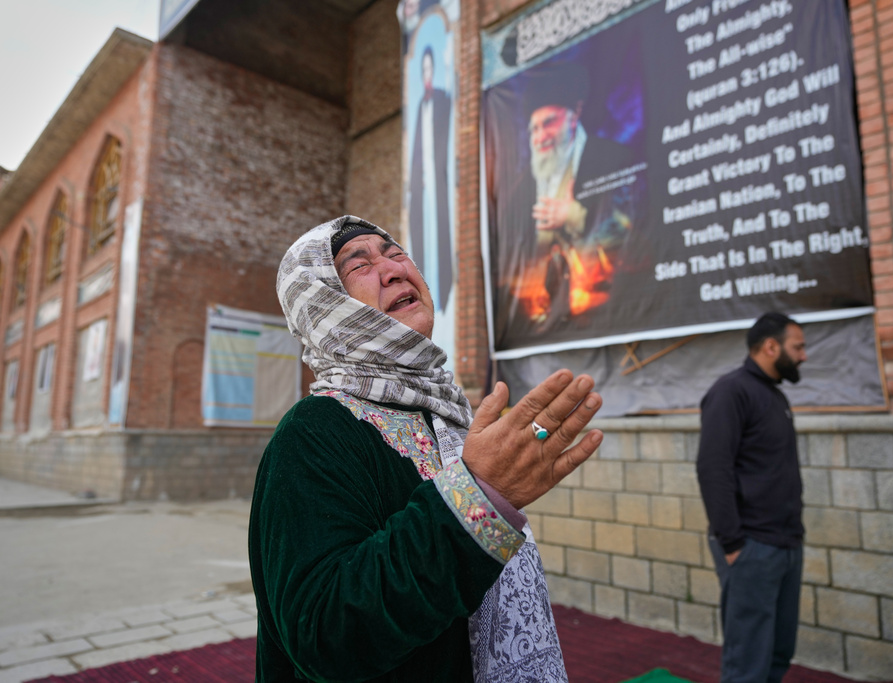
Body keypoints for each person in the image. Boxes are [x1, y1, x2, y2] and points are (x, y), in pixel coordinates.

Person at [250, 215, 603, 682]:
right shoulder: (314, 431)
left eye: (395, 253)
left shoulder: (445, 413)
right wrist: (476, 499)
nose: (394, 269)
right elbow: (324, 634)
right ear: (324, 304)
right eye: (359, 265)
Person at [493, 60, 644, 337]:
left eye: (548, 123)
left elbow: (637, 236)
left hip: (603, 316)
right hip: (542, 323)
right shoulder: (520, 189)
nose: (540, 137)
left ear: (575, 114)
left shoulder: (615, 160)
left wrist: (578, 217)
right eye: (534, 129)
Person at [695, 312, 808, 683]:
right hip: (752, 547)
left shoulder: (774, 396)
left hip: (786, 543)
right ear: (771, 347)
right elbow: (713, 469)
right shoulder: (731, 391)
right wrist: (733, 543)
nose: (804, 356)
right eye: (798, 347)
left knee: (778, 653)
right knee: (748, 662)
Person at [408, 45, 453, 312]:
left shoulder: (442, 99)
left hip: (439, 183)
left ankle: (444, 294)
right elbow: (416, 148)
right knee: (420, 235)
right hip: (422, 186)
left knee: (440, 231)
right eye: (422, 69)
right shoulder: (420, 106)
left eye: (429, 69)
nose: (426, 74)